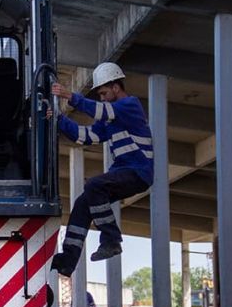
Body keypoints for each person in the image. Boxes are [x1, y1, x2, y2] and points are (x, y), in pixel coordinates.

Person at [49, 62, 154, 277]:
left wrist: (70, 95)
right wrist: (58, 119)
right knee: (83, 202)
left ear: (116, 87)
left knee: (94, 185)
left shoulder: (130, 105)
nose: (103, 97)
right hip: (125, 171)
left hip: (138, 171)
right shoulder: (111, 118)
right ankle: (67, 261)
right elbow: (85, 137)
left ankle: (111, 239)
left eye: (104, 92)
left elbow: (102, 110)